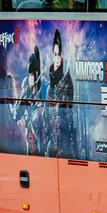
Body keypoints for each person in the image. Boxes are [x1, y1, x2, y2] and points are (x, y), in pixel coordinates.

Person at [45, 29, 75, 158]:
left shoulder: (67, 82)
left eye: (59, 55)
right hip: (52, 141)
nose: (56, 59)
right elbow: (46, 115)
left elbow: (70, 115)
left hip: (64, 143)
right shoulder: (49, 87)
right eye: (55, 54)